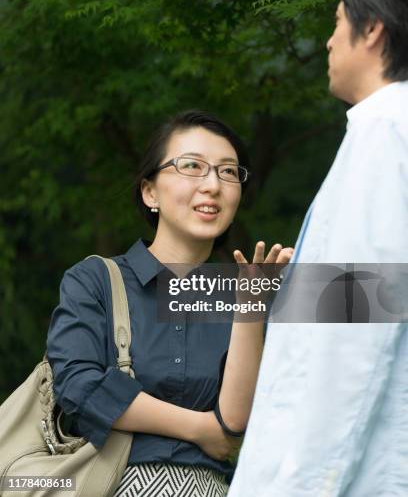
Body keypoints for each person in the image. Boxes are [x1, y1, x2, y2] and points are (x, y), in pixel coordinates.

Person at [228, 0, 408, 496]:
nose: (329, 40)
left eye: (336, 21)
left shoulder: (385, 137)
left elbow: (351, 338)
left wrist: (304, 484)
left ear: (372, 28)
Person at [46, 110, 293, 497]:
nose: (213, 184)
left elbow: (234, 422)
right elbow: (79, 386)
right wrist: (197, 429)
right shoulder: (95, 279)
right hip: (111, 485)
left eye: (228, 172)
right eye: (192, 166)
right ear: (150, 192)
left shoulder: (244, 290)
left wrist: (251, 306)